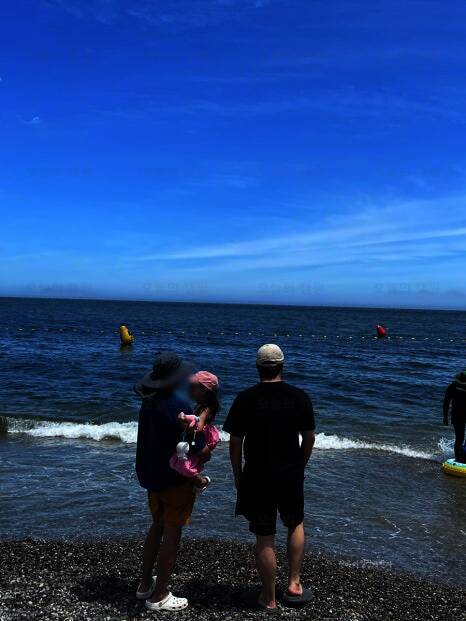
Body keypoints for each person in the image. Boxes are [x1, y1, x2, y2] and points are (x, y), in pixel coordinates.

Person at [223, 344, 316, 612]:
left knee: (264, 536)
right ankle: (294, 584)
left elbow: (235, 441)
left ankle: (268, 597)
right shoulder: (299, 397)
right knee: (295, 523)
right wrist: (300, 465)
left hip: (258, 474)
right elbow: (309, 437)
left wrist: (238, 473)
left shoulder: (245, 398)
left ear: (257, 367)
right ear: (282, 366)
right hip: (290, 474)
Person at [134, 351, 208, 612]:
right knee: (172, 533)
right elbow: (196, 445)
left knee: (156, 526)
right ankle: (160, 595)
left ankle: (145, 584)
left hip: (151, 476)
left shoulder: (149, 402)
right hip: (174, 479)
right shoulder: (178, 406)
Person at [169, 371, 221, 491]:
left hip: (200, 437)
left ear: (203, 390)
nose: (189, 389)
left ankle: (201, 482)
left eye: (192, 387)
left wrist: (183, 423)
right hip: (197, 438)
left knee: (183, 465)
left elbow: (198, 429)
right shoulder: (201, 406)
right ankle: (192, 482)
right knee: (181, 461)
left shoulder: (205, 409)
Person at [443, 371, 466, 463]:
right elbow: (446, 403)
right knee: (460, 438)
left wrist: (445, 417)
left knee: (460, 438)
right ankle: (458, 458)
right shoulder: (452, 387)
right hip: (457, 416)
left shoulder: (452, 387)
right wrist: (445, 418)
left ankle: (462, 455)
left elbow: (446, 403)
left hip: (457, 415)